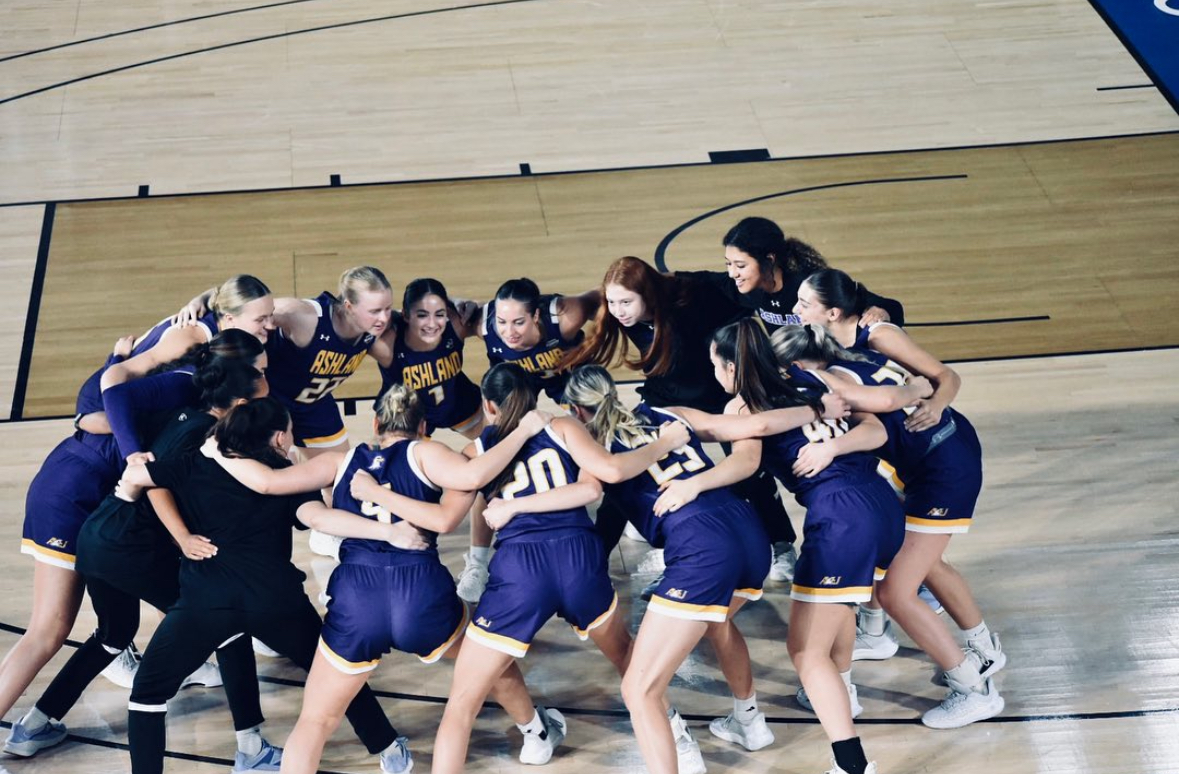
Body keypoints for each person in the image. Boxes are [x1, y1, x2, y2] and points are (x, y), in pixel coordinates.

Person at [196, 388, 563, 772]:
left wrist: (217, 450)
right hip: (420, 592)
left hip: (358, 596)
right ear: (423, 426)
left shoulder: (340, 461)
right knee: (492, 660)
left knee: (315, 721)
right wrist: (522, 431)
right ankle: (535, 732)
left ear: (374, 424)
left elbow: (267, 483)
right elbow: (472, 477)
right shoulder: (428, 452)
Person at [0, 284, 271, 731]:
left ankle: (36, 726)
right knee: (49, 629)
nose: (270, 327)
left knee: (122, 623)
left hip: (97, 493)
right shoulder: (184, 378)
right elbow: (107, 393)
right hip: (75, 491)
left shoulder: (195, 377)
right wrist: (131, 451)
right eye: (261, 321)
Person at [116, 397, 427, 774]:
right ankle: (389, 749)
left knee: (147, 694)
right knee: (335, 672)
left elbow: (136, 478)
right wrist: (387, 531)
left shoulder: (194, 462)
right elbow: (318, 519)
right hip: (276, 600)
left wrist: (132, 488)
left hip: (206, 601)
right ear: (280, 438)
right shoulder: (290, 475)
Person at [563, 365, 849, 774]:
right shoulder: (671, 413)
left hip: (703, 551)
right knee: (717, 622)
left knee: (638, 689)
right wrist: (815, 409)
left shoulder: (594, 446)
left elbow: (594, 485)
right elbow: (755, 426)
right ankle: (749, 722)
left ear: (576, 411)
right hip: (750, 536)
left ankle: (679, 746)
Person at [655, 319, 904, 774]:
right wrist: (836, 445)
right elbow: (877, 433)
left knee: (806, 652)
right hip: (883, 503)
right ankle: (840, 688)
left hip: (843, 517)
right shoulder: (811, 376)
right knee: (840, 603)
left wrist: (694, 485)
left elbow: (745, 463)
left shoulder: (744, 405)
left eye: (715, 365)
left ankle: (851, 765)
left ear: (730, 367)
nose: (714, 373)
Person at [432, 363, 691, 774]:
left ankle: (535, 739)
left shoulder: (475, 453)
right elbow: (592, 487)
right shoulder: (565, 426)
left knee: (463, 701)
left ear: (489, 406)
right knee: (628, 657)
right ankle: (680, 739)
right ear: (536, 398)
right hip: (578, 557)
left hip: (520, 568)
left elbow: (446, 516)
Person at [792, 269, 1005, 729]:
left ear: (830, 312)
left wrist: (928, 395)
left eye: (803, 303)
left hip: (943, 465)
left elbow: (925, 382)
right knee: (922, 562)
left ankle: (974, 687)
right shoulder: (846, 353)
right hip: (930, 462)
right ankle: (984, 650)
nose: (795, 310)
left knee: (896, 591)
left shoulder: (864, 348)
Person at [562, 256, 798, 586]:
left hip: (716, 392)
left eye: (626, 301)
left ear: (649, 294)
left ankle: (782, 543)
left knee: (751, 472)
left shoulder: (690, 298)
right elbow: (585, 304)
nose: (619, 310)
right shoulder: (620, 311)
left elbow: (735, 295)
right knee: (624, 467)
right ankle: (597, 554)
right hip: (666, 394)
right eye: (612, 301)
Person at [454, 278, 599, 602]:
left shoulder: (566, 316)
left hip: (567, 380)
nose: (509, 331)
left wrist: (602, 340)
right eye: (502, 322)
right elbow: (435, 318)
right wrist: (458, 302)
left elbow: (600, 297)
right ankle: (478, 562)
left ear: (536, 317)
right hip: (516, 388)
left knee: (600, 443)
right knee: (491, 461)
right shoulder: (483, 323)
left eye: (518, 322)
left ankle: (624, 515)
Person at [372, 278, 489, 604]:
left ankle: (479, 562)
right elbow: (350, 322)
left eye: (439, 313)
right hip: (406, 418)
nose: (432, 323)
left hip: (459, 404)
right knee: (393, 486)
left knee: (490, 466)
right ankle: (391, 554)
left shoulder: (455, 324)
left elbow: (496, 319)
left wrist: (466, 305)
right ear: (405, 315)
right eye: (422, 315)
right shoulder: (387, 342)